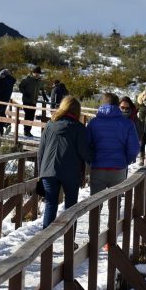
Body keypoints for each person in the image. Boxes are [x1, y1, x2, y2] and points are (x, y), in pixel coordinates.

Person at [37, 96, 92, 228]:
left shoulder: (50, 125)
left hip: (48, 171)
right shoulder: (79, 128)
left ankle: (46, 239)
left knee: (50, 205)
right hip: (71, 173)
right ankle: (69, 239)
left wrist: (40, 173)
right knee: (71, 207)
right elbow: (85, 153)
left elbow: (41, 151)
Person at [86, 92, 140, 195]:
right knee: (116, 201)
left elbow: (86, 145)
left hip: (97, 168)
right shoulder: (128, 124)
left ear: (102, 104)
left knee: (95, 202)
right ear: (117, 105)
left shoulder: (93, 122)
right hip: (118, 168)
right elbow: (134, 148)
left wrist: (91, 160)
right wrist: (125, 161)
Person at [18, 66, 48, 137]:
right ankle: (26, 131)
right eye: (36, 73)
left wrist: (44, 96)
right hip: (26, 100)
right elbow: (20, 87)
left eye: (38, 73)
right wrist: (25, 93)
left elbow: (42, 89)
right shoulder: (27, 79)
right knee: (28, 115)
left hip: (34, 101)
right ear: (33, 73)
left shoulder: (39, 81)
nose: (37, 74)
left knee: (31, 117)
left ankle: (28, 131)